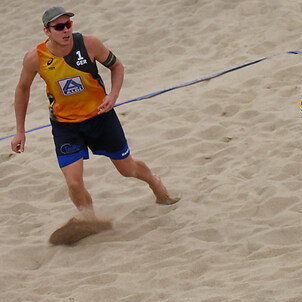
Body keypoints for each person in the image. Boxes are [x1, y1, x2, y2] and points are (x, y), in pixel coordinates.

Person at [11, 7, 179, 241]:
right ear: (46, 31)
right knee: (74, 181)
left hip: (100, 118)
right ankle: (89, 220)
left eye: (68, 24)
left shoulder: (89, 44)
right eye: (59, 27)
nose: (66, 30)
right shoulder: (35, 58)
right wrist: (20, 131)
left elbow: (117, 66)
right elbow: (22, 88)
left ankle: (154, 181)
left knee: (126, 169)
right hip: (65, 126)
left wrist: (113, 94)